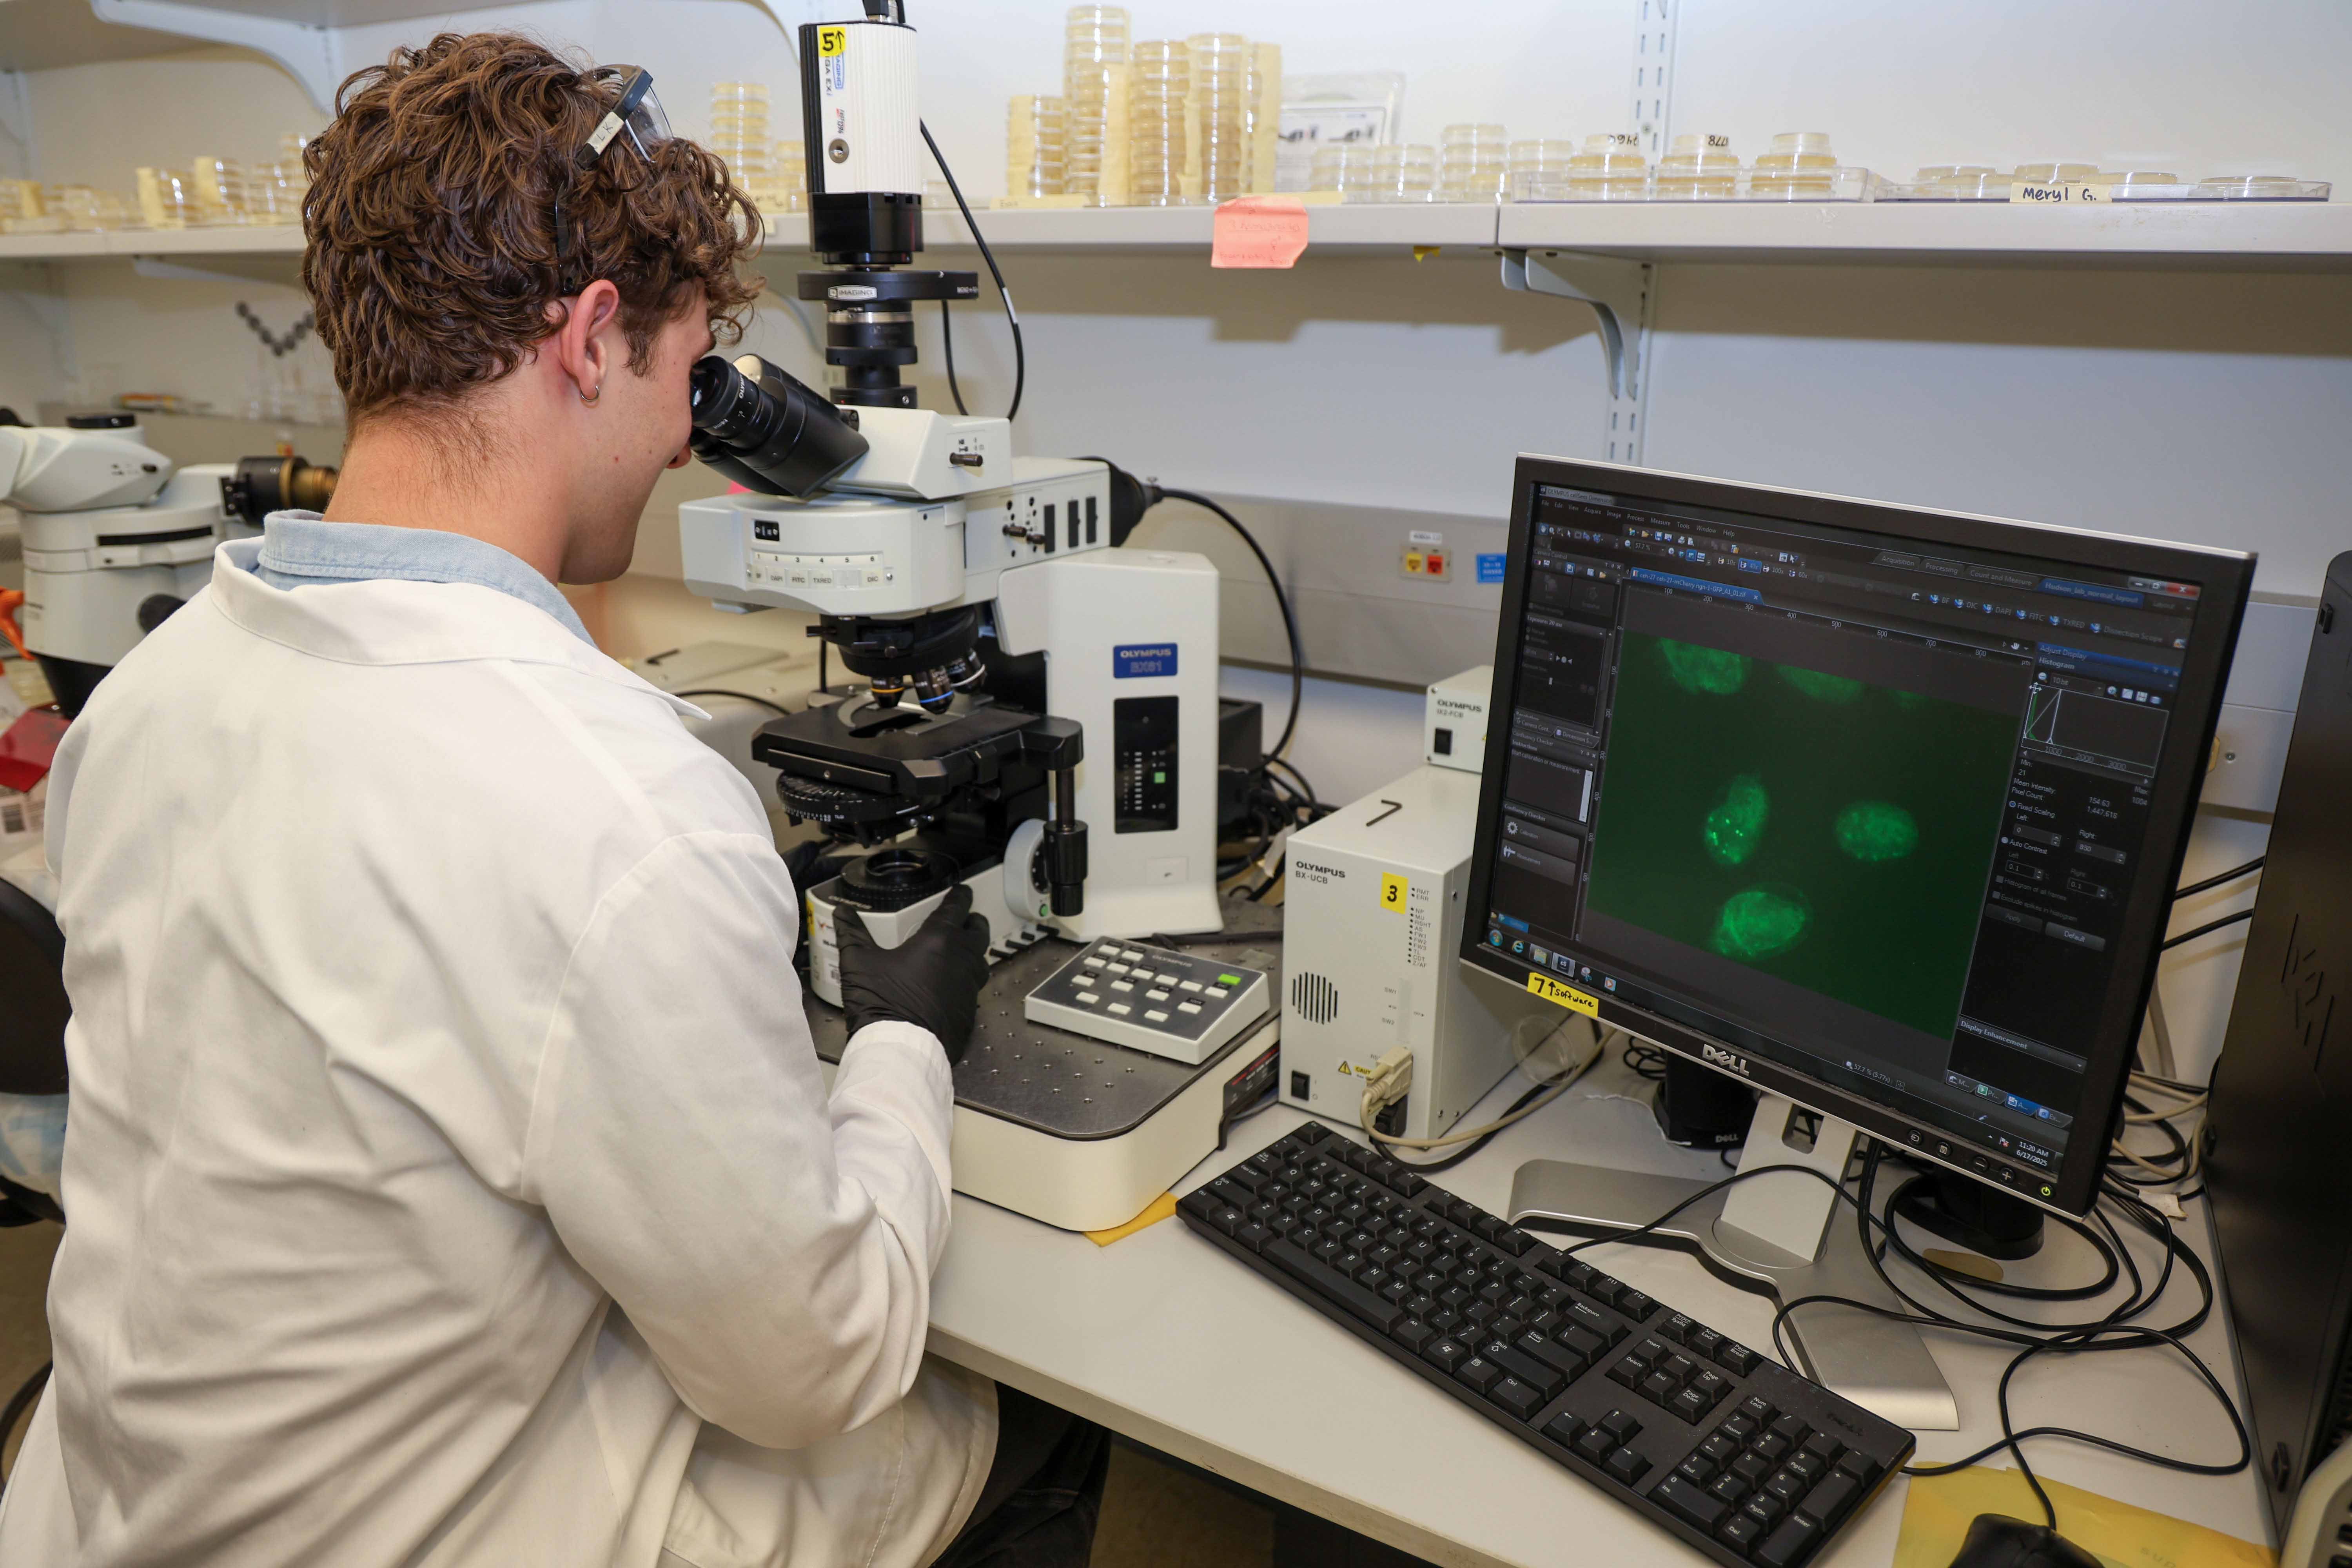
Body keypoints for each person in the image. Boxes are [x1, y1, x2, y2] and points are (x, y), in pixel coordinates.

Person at [0, 33, 1106, 1568]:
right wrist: (907, 1049)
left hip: (114, 1510)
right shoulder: (619, 811)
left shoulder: (152, 702)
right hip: (432, 1534)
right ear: (593, 338)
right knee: (992, 1407)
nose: (686, 429)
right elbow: (811, 1361)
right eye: (689, 368)